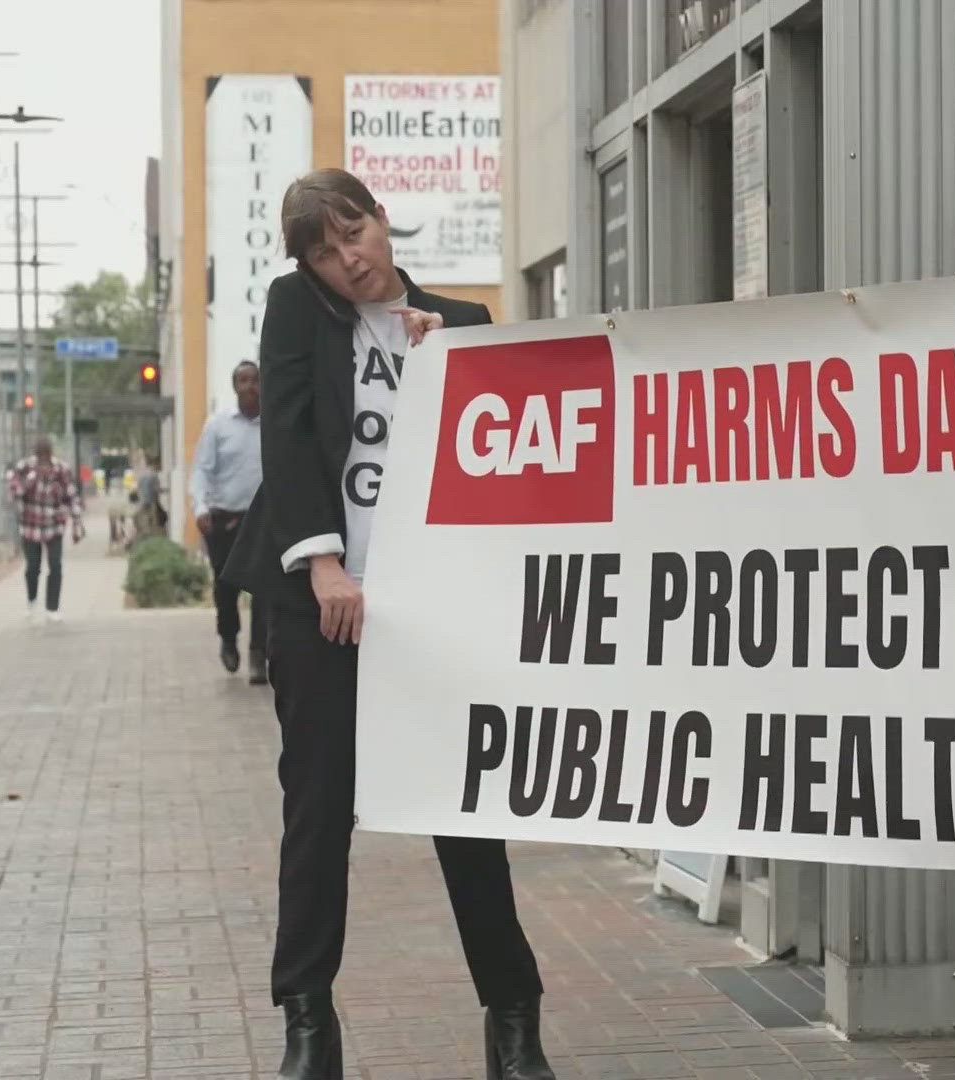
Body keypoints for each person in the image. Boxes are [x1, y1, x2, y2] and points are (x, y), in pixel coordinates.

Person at [220, 168, 552, 1080]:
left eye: (352, 234)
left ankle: (515, 1024)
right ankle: (307, 1026)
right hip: (319, 605)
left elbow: (515, 451)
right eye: (324, 252)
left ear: (382, 219)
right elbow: (286, 439)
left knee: (465, 815)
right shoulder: (296, 309)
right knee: (318, 811)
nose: (345, 261)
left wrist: (455, 362)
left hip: (432, 612)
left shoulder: (465, 323)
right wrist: (325, 561)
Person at [192, 360, 267, 683]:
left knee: (265, 590)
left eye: (255, 380)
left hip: (264, 521)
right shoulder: (218, 425)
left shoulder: (275, 423)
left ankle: (258, 654)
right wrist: (200, 508)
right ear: (234, 386)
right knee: (226, 588)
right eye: (243, 380)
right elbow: (202, 470)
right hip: (223, 520)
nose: (250, 386)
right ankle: (228, 638)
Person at [7, 436, 84, 625]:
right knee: (33, 567)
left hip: (54, 524)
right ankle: (31, 599)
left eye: (46, 457)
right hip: (31, 525)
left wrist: (77, 524)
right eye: (40, 457)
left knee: (55, 566)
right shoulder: (24, 468)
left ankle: (53, 607)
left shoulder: (61, 470)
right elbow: (14, 492)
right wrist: (32, 479)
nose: (44, 461)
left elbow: (72, 496)